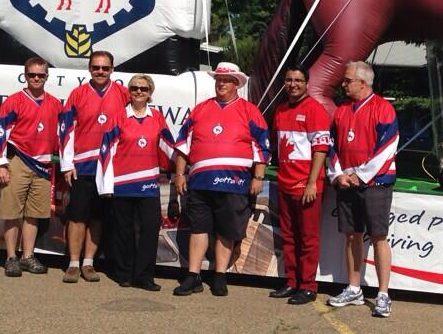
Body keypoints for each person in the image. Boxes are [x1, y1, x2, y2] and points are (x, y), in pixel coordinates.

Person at [169, 62, 270, 297]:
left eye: (226, 80)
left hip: (233, 182)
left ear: (237, 84)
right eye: (218, 80)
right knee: (198, 228)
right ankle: (193, 276)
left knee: (226, 231)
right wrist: (180, 174)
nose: (221, 84)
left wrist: (258, 176)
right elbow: (183, 145)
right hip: (200, 182)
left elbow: (262, 147)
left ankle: (219, 275)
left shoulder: (249, 110)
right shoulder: (201, 109)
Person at [326, 61, 399, 318]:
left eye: (347, 80)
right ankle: (354, 288)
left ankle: (382, 294)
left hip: (376, 184)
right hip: (346, 183)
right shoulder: (341, 110)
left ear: (362, 83)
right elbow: (331, 145)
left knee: (378, 237)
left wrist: (361, 175)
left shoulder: (384, 108)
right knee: (351, 235)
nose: (343, 84)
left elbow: (388, 147)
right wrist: (337, 174)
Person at [58, 50, 130, 283]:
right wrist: (67, 164)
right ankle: (73, 264)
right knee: (78, 217)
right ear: (89, 69)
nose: (100, 72)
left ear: (112, 69)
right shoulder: (77, 94)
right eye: (96, 67)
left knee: (98, 218)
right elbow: (66, 131)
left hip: (109, 170)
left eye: (105, 68)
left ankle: (89, 263)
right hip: (83, 167)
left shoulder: (123, 94)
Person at [0, 57, 63, 277]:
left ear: (47, 77)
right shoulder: (14, 101)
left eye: (41, 75)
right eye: (32, 74)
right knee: (13, 213)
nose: (37, 78)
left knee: (34, 214)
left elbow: (63, 135)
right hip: (18, 160)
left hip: (42, 165)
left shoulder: (55, 104)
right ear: (25, 75)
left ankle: (27, 256)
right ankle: (11, 257)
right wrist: (0, 164)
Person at [97, 74, 167, 291]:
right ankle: (125, 273)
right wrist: (106, 185)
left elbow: (168, 146)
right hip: (122, 182)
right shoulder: (119, 117)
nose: (138, 92)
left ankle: (145, 276)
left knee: (149, 229)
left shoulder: (157, 117)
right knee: (122, 230)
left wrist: (182, 167)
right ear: (129, 91)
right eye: (135, 88)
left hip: (148, 183)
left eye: (143, 89)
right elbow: (105, 151)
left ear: (150, 93)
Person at [270, 66, 331, 305]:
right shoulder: (281, 110)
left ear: (307, 83)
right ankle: (291, 281)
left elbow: (321, 149)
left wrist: (312, 183)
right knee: (289, 236)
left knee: (308, 238)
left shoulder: (315, 110)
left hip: (306, 186)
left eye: (298, 80)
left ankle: (308, 285)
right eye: (289, 80)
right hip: (285, 183)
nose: (293, 84)